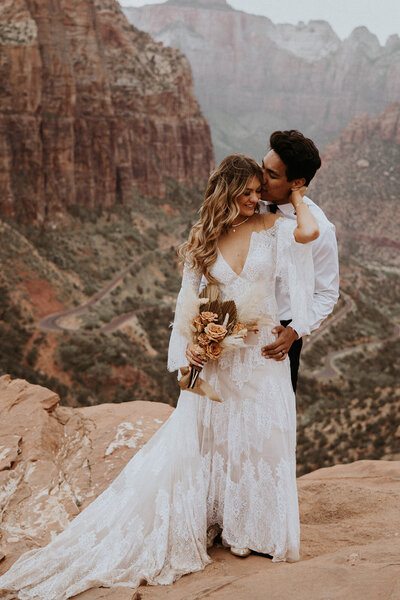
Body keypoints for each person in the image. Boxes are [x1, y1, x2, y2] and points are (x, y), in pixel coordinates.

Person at [0, 155, 318, 600]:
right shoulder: (203, 240)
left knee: (260, 439)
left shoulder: (276, 227)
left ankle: (254, 530)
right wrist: (191, 347)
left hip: (262, 353)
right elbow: (187, 301)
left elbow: (309, 233)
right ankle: (218, 520)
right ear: (225, 193)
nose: (254, 198)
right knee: (218, 438)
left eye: (256, 190)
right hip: (218, 355)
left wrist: (299, 196)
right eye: (244, 192)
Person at [259, 130, 339, 391]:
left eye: (272, 175)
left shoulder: (321, 229)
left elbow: (326, 293)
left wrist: (294, 331)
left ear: (297, 182)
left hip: (281, 335)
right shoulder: (249, 202)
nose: (261, 179)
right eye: (263, 168)